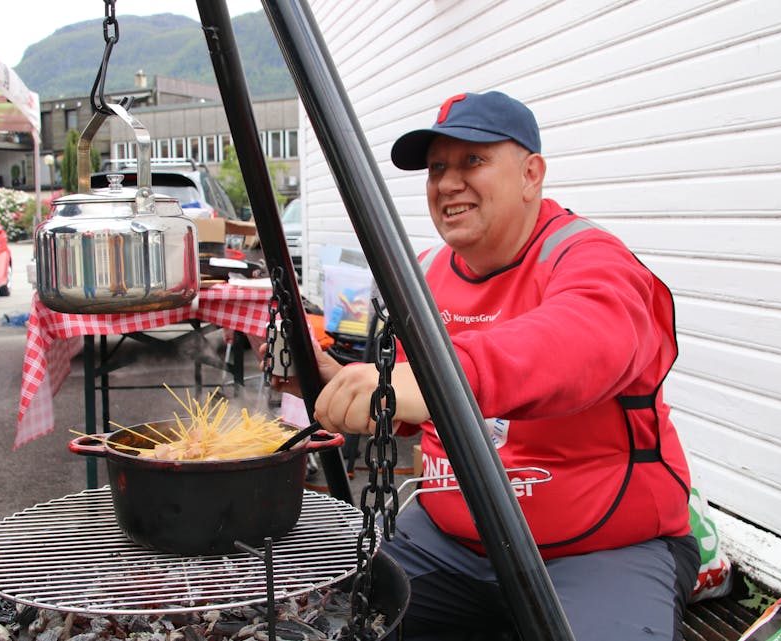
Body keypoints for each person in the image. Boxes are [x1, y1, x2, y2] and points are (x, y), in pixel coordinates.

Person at [288, 91, 699, 640]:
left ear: (531, 174)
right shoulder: (427, 272)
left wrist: (436, 383)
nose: (448, 183)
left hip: (602, 549)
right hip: (447, 541)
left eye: (472, 161)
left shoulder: (589, 257)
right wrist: (351, 388)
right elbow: (409, 406)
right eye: (437, 168)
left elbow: (583, 346)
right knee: (332, 625)